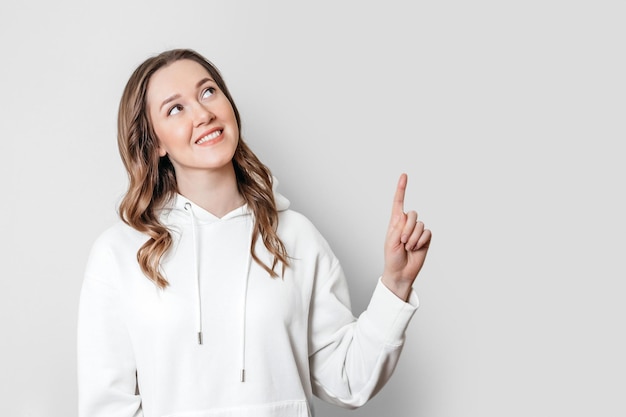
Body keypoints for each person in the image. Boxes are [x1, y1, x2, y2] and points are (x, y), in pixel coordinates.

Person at [77, 48, 432, 417]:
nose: (203, 113)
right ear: (155, 144)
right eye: (175, 108)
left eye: (208, 92)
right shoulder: (119, 253)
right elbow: (107, 407)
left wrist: (396, 283)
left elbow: (348, 379)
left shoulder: (296, 236)